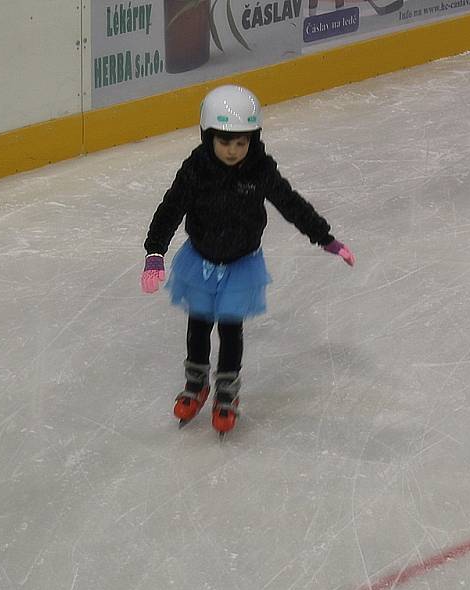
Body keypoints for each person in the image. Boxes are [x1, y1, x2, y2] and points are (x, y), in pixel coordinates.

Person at [141, 84, 355, 436]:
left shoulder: (259, 169)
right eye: (225, 141)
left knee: (229, 327)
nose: (233, 150)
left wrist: (325, 238)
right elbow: (170, 209)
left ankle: (226, 388)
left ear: (253, 141)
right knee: (198, 324)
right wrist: (154, 252)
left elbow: (291, 204)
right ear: (208, 136)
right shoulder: (196, 169)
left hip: (241, 264)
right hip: (201, 259)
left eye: (242, 142)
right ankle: (197, 382)